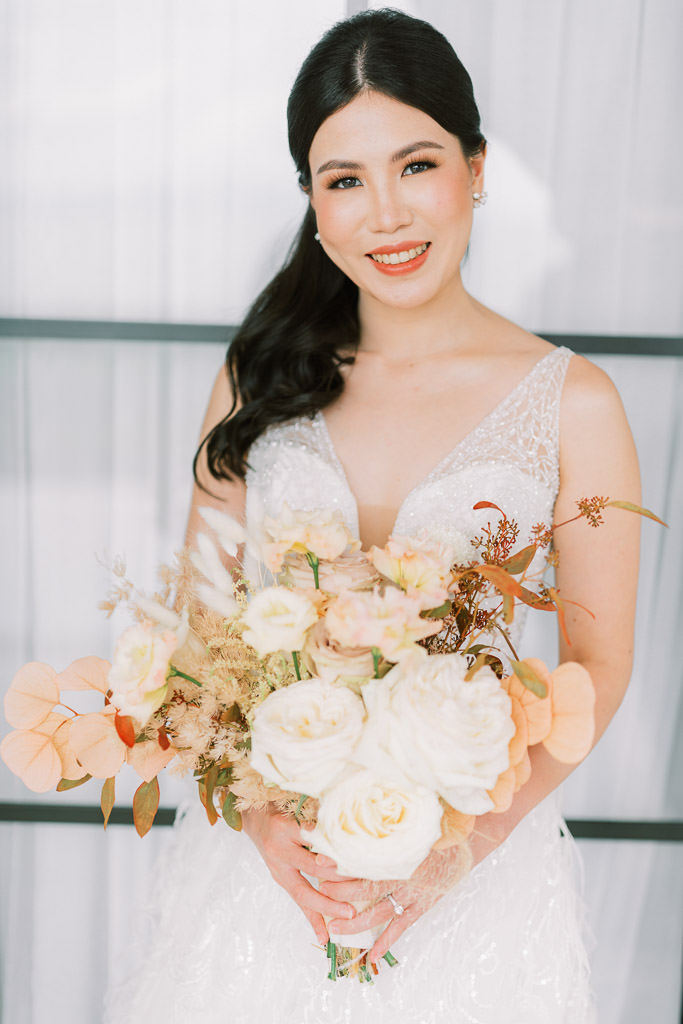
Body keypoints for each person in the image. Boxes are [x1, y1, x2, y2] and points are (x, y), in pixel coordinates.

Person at [105, 9, 640, 1023]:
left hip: (477, 878)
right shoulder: (257, 377)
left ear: (474, 169)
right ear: (312, 203)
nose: (385, 215)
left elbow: (595, 668)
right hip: (268, 874)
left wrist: (454, 855)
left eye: (417, 165)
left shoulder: (572, 404)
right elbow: (201, 632)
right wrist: (261, 825)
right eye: (344, 180)